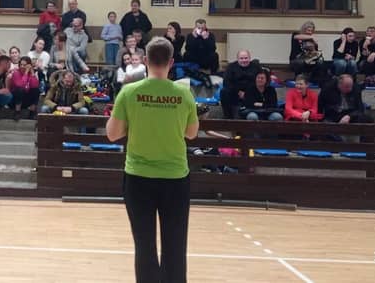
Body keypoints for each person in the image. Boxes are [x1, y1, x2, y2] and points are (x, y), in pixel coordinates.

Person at [105, 36, 198, 283]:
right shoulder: (184, 93)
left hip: (138, 178)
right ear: (171, 62)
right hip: (175, 178)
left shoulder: (129, 91)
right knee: (175, 246)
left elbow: (113, 134)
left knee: (144, 245)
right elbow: (191, 133)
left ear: (145, 60)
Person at [219, 50, 261, 119]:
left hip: (251, 93)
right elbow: (226, 82)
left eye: (246, 58)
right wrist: (238, 92)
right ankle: (227, 117)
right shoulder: (231, 67)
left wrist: (247, 93)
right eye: (241, 58)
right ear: (238, 59)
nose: (244, 60)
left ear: (249, 58)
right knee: (224, 92)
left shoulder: (256, 67)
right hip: (235, 93)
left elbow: (259, 81)